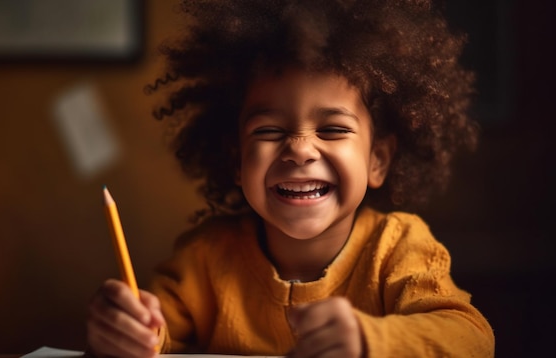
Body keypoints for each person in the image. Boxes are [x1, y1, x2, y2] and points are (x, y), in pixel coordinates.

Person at [86, 0, 495, 357]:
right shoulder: (206, 258)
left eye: (333, 129)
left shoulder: (398, 248)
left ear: (378, 160)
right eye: (268, 131)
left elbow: (472, 340)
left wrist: (371, 341)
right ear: (236, 159)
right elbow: (156, 333)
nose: (299, 148)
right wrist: (127, 332)